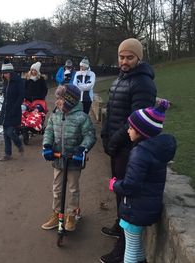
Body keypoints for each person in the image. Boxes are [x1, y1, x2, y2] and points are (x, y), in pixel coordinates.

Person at [100, 38, 157, 263]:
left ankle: (123, 249)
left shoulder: (143, 83)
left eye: (129, 57)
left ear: (138, 58)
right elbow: (112, 109)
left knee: (127, 199)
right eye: (121, 57)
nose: (124, 61)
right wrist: (105, 135)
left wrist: (114, 141)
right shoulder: (122, 78)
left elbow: (137, 121)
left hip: (129, 148)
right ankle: (118, 226)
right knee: (119, 192)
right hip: (117, 146)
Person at [109, 99, 176, 263]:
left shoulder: (140, 153)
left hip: (135, 209)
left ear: (141, 131)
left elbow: (131, 185)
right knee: (137, 247)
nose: (128, 131)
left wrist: (115, 185)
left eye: (131, 128)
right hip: (146, 207)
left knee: (130, 252)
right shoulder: (155, 150)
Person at [41, 84, 96, 232]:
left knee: (72, 188)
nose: (57, 102)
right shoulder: (55, 115)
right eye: (57, 98)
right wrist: (47, 146)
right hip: (58, 159)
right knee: (57, 188)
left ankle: (71, 214)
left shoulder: (82, 117)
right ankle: (56, 213)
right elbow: (49, 132)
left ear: (70, 100)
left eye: (60, 99)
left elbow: (90, 136)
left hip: (74, 160)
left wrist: (81, 149)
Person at [0, 59, 25, 161]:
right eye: (4, 73)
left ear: (11, 72)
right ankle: (7, 154)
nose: (5, 75)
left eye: (6, 73)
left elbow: (21, 96)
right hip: (5, 110)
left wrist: (15, 108)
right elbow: (5, 97)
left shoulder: (19, 81)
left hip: (14, 110)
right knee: (5, 134)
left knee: (10, 132)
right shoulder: (5, 82)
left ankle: (19, 144)